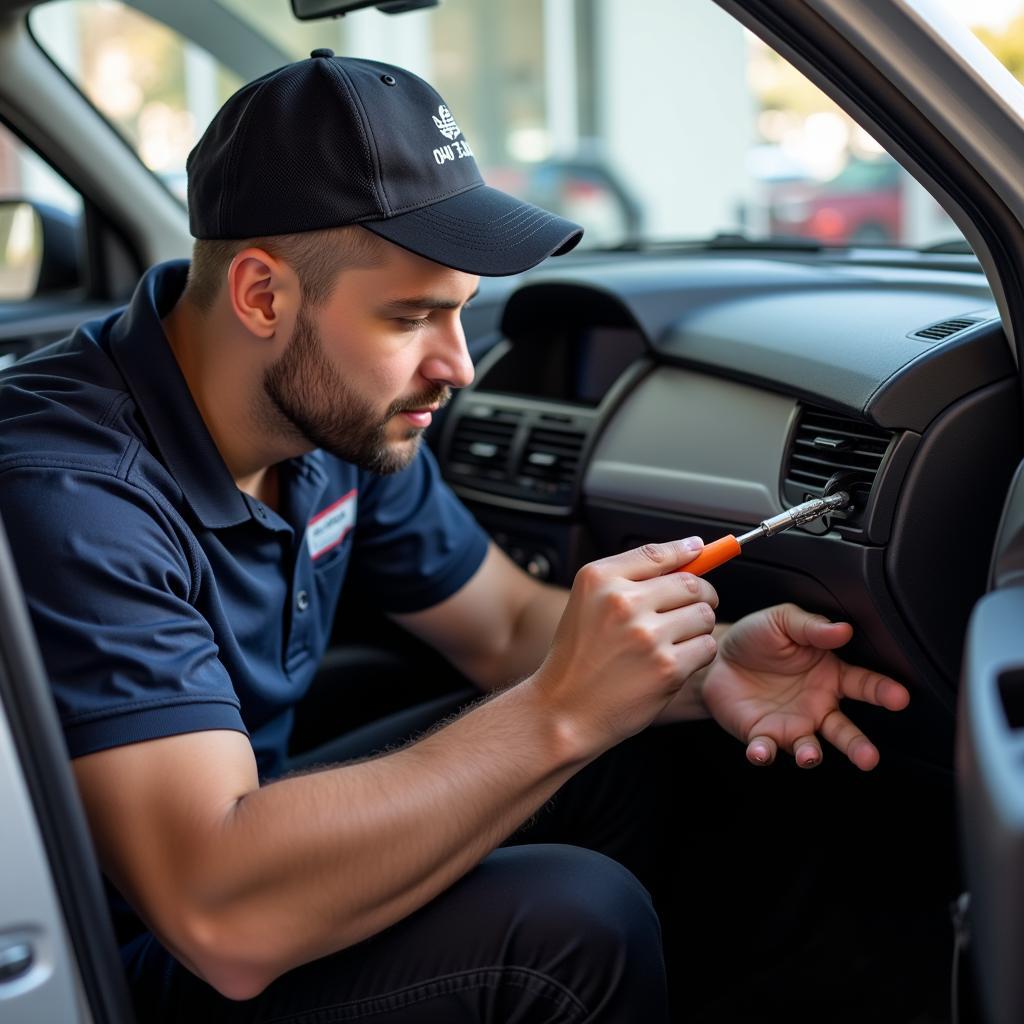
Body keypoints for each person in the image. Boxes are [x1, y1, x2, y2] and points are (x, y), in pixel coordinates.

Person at [0, 52, 910, 1022]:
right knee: (566, 924)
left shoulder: (324, 414)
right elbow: (219, 918)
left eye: (462, 312)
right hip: (104, 950)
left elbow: (508, 626)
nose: (459, 366)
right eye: (412, 317)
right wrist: (563, 708)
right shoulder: (70, 493)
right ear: (262, 295)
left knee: (616, 750)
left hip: (218, 844)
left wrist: (700, 665)